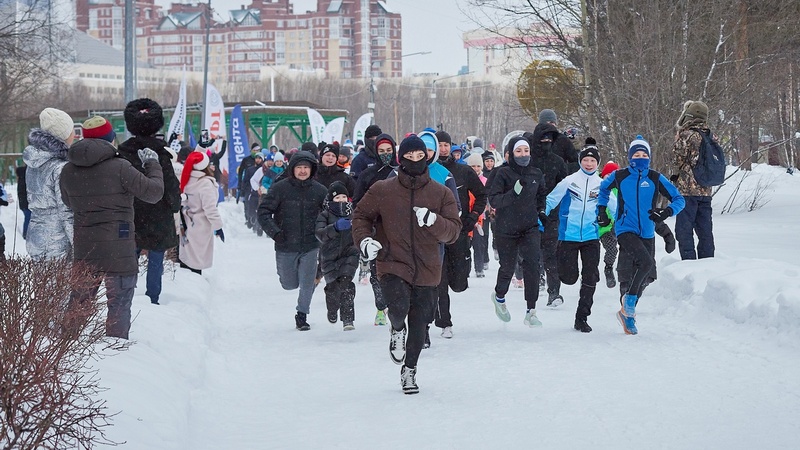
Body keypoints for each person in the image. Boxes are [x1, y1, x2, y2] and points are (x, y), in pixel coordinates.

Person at [352, 134, 461, 395]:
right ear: (401, 160)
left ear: (427, 157)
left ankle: (409, 370)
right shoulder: (383, 189)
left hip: (428, 266)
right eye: (409, 157)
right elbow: (361, 215)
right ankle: (396, 327)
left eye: (419, 156)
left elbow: (454, 231)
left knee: (421, 322)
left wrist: (433, 220)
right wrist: (365, 241)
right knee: (399, 308)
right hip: (392, 261)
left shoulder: (441, 193)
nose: (414, 160)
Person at [60, 116, 164, 339]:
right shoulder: (120, 167)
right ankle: (117, 356)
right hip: (119, 247)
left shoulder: (68, 170)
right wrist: (152, 163)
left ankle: (65, 351)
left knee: (78, 307)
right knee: (118, 306)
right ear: (110, 139)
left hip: (85, 247)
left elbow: (69, 203)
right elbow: (153, 192)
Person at [597, 135, 685, 335]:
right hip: (625, 228)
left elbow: (679, 199)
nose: (640, 157)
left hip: (647, 231)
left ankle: (627, 313)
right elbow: (602, 189)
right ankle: (629, 303)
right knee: (643, 264)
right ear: (630, 157)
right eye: (636, 154)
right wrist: (601, 211)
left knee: (648, 274)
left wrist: (665, 212)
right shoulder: (620, 176)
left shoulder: (655, 178)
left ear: (649, 157)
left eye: (644, 154)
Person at [545, 138, 615, 332]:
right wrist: (541, 214)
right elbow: (551, 200)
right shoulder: (569, 181)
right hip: (568, 236)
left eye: (593, 161)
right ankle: (564, 273)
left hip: (592, 237)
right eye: (586, 160)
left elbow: (617, 208)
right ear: (580, 161)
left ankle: (581, 317)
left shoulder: (603, 185)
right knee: (569, 278)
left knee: (590, 277)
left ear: (597, 164)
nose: (589, 164)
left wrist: (625, 225)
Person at [117, 98, 182, 305]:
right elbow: (171, 184)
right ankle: (153, 297)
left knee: (129, 255)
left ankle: (126, 294)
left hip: (131, 212)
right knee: (156, 258)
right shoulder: (161, 154)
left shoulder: (123, 153)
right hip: (158, 213)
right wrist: (175, 204)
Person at [258, 150, 327, 330]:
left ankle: (302, 314)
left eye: (306, 168)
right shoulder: (280, 188)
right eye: (299, 168)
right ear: (292, 169)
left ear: (312, 170)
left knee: (307, 281)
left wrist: (326, 232)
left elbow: (330, 213)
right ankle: (295, 283)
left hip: (311, 244)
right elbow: (263, 212)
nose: (303, 171)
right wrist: (275, 233)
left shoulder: (319, 191)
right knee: (289, 284)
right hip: (286, 244)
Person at [487, 136, 548, 327]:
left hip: (529, 227)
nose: (523, 155)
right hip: (506, 229)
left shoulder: (536, 173)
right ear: (511, 154)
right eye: (519, 151)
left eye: (526, 151)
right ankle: (499, 297)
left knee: (532, 265)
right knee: (508, 266)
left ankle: (531, 311)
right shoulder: (503, 173)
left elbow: (541, 195)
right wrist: (514, 192)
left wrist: (542, 211)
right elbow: (495, 201)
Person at [432, 130, 486, 340]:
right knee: (440, 280)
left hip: (460, 232)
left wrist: (473, 217)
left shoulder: (463, 171)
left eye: (446, 145)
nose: (443, 149)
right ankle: (444, 320)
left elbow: (482, 195)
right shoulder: (428, 171)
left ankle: (460, 278)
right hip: (436, 233)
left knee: (458, 283)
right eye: (440, 145)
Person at [352, 133, 397, 325]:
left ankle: (397, 305)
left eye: (389, 151)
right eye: (382, 151)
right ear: (376, 152)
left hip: (398, 228)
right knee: (376, 271)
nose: (385, 154)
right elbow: (357, 203)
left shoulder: (400, 171)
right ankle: (381, 306)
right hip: (375, 229)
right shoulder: (368, 175)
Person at [23, 107, 75, 260]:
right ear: (63, 135)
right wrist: (81, 247)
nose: (74, 134)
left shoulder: (34, 163)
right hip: (57, 241)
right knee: (60, 284)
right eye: (71, 130)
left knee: (43, 283)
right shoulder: (60, 167)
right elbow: (67, 211)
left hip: (37, 235)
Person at [529, 123, 568, 306]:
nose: (546, 142)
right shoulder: (528, 161)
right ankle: (535, 286)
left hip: (552, 214)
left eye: (549, 139)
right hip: (529, 214)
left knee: (551, 254)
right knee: (533, 254)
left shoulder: (558, 162)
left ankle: (554, 292)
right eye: (543, 138)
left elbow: (564, 187)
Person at [672, 100, 716, 260]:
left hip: (687, 192)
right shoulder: (711, 135)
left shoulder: (686, 135)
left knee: (684, 230)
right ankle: (707, 261)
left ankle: (688, 263)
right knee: (705, 230)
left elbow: (676, 160)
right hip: (706, 189)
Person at [315, 181, 359, 330]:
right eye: (337, 198)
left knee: (346, 284)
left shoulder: (354, 213)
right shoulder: (325, 215)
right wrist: (335, 227)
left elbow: (364, 229)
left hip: (349, 253)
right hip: (329, 257)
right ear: (331, 200)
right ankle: (332, 308)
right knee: (333, 287)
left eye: (344, 197)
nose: (341, 200)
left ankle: (348, 319)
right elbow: (320, 234)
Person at [178, 152, 224, 274]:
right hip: (201, 226)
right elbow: (210, 208)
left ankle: (190, 289)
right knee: (197, 262)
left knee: (188, 261)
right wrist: (218, 227)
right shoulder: (205, 183)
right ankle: (197, 289)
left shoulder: (187, 180)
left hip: (187, 223)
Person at [599, 160, 621, 288]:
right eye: (608, 175)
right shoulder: (599, 187)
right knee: (592, 252)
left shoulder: (621, 190)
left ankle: (609, 267)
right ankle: (589, 273)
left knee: (614, 249)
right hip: (600, 226)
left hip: (615, 226)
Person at [467, 153, 488, 278]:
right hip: (467, 215)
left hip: (480, 217)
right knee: (466, 245)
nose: (475, 169)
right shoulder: (466, 178)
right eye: (473, 166)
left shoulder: (484, 181)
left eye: (478, 166)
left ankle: (479, 267)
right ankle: (466, 268)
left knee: (479, 244)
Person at [538, 109, 579, 174]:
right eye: (545, 123)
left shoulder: (563, 140)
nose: (549, 126)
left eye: (552, 123)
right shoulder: (534, 140)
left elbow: (576, 163)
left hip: (560, 180)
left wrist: (562, 169)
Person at [15, 164, 30, 239]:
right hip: (26, 201)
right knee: (29, 217)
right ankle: (26, 234)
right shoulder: (26, 175)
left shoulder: (22, 175)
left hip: (24, 201)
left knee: (29, 217)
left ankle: (26, 233)